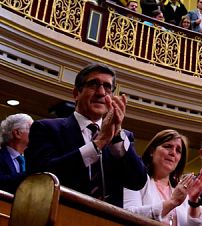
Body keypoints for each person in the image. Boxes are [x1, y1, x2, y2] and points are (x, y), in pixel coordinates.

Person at [27, 63, 148, 207]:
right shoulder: (46, 128)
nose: (101, 92)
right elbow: (42, 178)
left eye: (107, 87)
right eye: (94, 84)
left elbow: (137, 181)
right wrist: (98, 143)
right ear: (76, 93)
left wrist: (116, 137)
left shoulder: (123, 137)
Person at [123, 129, 202, 225]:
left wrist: (193, 201)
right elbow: (128, 215)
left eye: (178, 150)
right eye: (168, 146)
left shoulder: (182, 190)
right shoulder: (135, 179)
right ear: (152, 151)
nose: (173, 153)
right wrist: (172, 202)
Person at [0, 113, 33, 193]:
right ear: (17, 133)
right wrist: (30, 174)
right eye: (32, 129)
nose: (36, 133)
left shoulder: (32, 159)